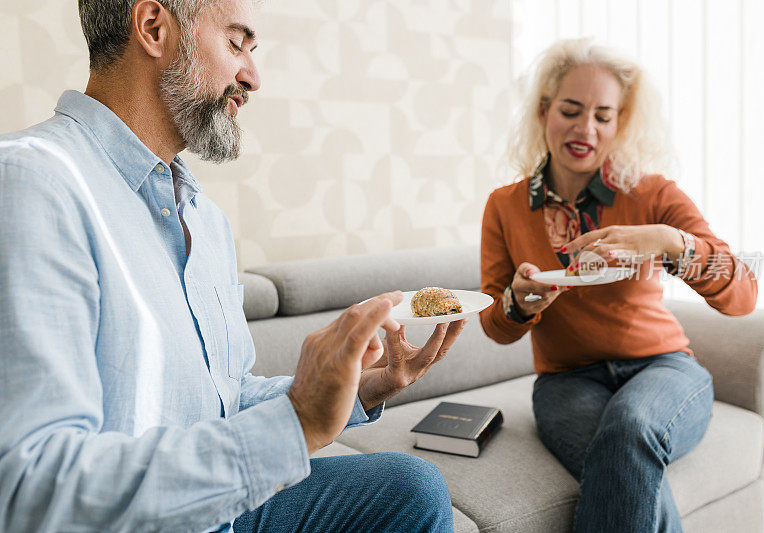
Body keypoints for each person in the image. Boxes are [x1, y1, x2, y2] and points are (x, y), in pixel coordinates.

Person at [0, 1, 466, 531]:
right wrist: (294, 423)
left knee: (411, 488)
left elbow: (225, 401)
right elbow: (29, 490)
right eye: (235, 44)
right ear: (154, 28)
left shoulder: (205, 220)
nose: (254, 76)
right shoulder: (31, 184)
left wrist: (357, 388)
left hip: (213, 510)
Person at [479, 38, 757, 532]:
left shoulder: (652, 194)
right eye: (571, 110)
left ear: (619, 124)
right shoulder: (504, 206)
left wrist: (668, 241)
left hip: (665, 368)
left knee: (632, 426)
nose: (586, 128)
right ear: (544, 112)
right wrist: (517, 304)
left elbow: (743, 292)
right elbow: (496, 327)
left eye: (603, 116)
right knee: (625, 462)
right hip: (567, 382)